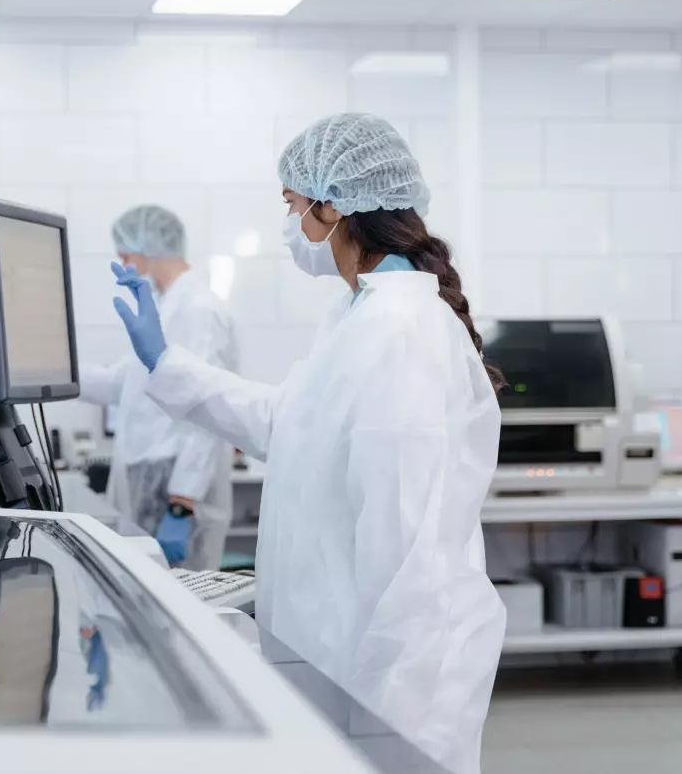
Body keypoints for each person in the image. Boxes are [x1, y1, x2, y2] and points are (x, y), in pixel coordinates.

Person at [109, 115, 506, 774]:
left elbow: (418, 575)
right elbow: (288, 421)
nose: (289, 225)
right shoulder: (359, 316)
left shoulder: (401, 333)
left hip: (396, 703)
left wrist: (399, 741)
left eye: (292, 204)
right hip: (335, 672)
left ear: (335, 206)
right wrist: (164, 364)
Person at [81, 204, 239, 570]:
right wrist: (56, 372)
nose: (123, 264)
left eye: (125, 254)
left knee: (183, 611)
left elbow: (204, 410)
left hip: (177, 494)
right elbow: (123, 384)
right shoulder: (167, 307)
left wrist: (181, 505)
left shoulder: (198, 310)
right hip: (153, 483)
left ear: (148, 248)